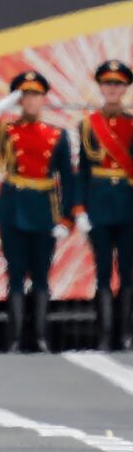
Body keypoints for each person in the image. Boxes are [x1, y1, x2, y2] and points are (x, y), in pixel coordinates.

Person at [0, 71, 77, 353]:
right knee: (14, 275)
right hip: (12, 210)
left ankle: (39, 337)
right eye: (25, 95)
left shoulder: (57, 136)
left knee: (41, 276)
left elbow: (68, 179)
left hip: (44, 211)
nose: (31, 101)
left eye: (36, 95)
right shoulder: (6, 132)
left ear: (43, 99)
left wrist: (67, 217)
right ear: (18, 100)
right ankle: (14, 339)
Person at [76, 60, 133, 349]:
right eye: (108, 84)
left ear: (125, 89)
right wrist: (79, 209)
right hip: (97, 205)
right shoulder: (87, 125)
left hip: (128, 205)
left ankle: (124, 334)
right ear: (101, 87)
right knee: (101, 273)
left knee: (128, 273)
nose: (112, 89)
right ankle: (103, 335)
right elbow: (83, 172)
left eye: (118, 85)